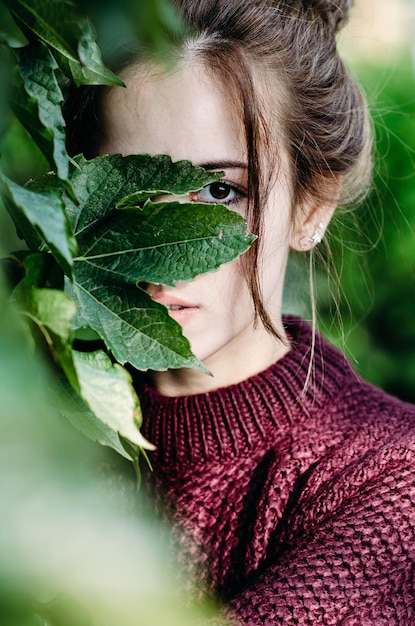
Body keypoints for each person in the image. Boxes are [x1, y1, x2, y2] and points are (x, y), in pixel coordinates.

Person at [65, 0, 415, 623]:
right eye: (126, 188)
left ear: (311, 206)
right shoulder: (42, 424)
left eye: (220, 192)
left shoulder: (388, 476)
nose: (162, 256)